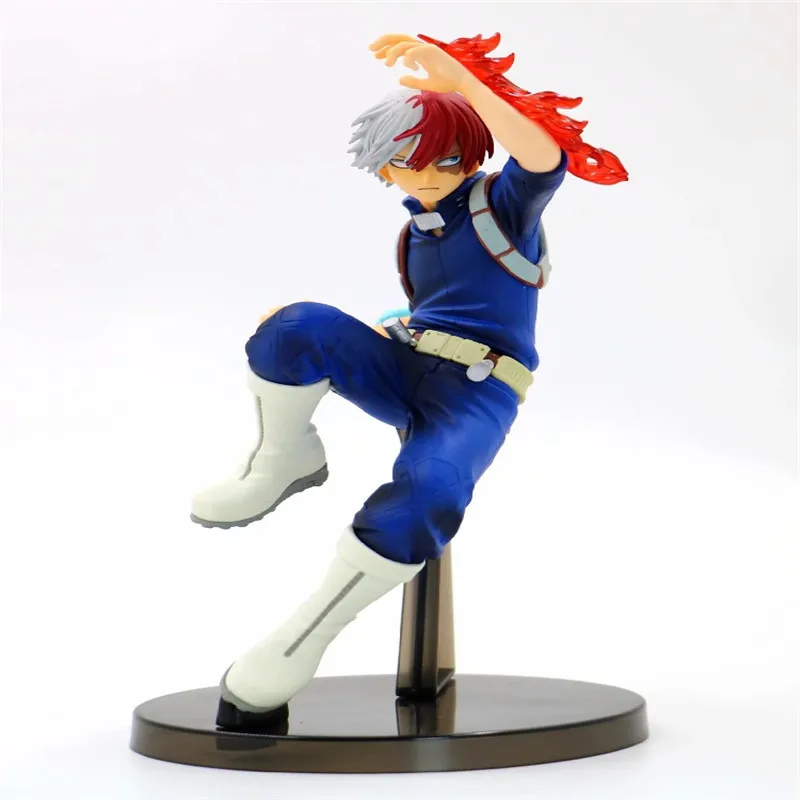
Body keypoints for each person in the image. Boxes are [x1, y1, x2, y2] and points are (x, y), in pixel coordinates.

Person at [190, 33, 624, 730]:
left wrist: (465, 82)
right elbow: (432, 315)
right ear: (383, 166)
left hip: (476, 392)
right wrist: (358, 335)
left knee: (428, 493)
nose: (425, 176)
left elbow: (544, 157)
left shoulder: (502, 206)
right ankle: (283, 460)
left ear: (472, 156)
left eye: (445, 160)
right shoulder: (417, 228)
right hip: (409, 364)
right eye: (405, 161)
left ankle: (293, 646)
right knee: (295, 325)